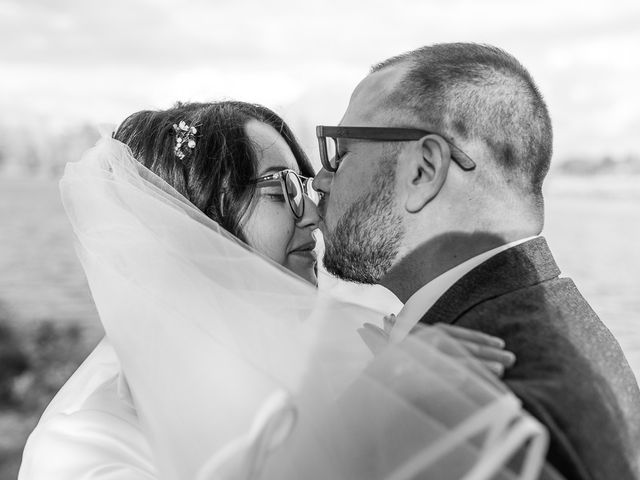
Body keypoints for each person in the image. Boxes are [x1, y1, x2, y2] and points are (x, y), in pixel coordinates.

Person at [19, 101, 530, 480]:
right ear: (187, 218)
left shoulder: (330, 364)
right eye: (279, 186)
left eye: (303, 186)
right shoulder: (83, 446)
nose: (312, 213)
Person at [313, 42, 640, 479]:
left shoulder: (484, 401)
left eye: (339, 154)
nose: (319, 180)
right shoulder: (551, 324)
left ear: (424, 170)